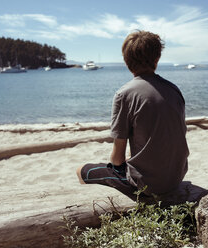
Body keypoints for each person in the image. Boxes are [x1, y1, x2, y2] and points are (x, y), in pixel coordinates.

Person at [76, 30, 189, 197]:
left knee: (81, 171)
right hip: (176, 177)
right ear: (157, 59)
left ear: (126, 60)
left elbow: (117, 159)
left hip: (148, 185)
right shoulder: (173, 89)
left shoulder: (125, 94)